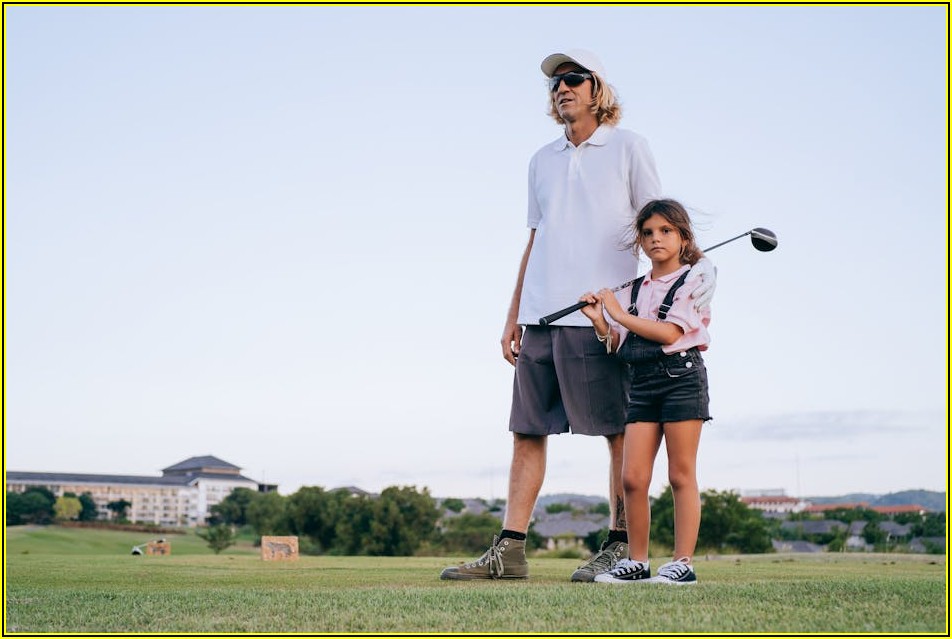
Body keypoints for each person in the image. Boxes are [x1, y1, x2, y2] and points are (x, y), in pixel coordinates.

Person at [439, 50, 715, 582]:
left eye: (572, 79)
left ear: (597, 89)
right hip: (541, 314)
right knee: (526, 431)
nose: (560, 88)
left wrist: (684, 282)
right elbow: (535, 239)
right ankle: (510, 551)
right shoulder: (540, 160)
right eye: (553, 84)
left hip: (601, 318)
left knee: (616, 431)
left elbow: (659, 228)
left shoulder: (631, 148)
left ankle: (619, 545)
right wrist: (514, 313)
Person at [580, 199, 712, 585]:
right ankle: (637, 562)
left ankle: (682, 563)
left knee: (680, 474)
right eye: (649, 232)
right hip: (642, 382)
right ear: (640, 241)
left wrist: (619, 314)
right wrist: (601, 322)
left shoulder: (694, 281)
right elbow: (620, 344)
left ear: (683, 237)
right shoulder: (634, 288)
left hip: (681, 377)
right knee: (633, 478)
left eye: (666, 231)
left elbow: (671, 333)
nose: (656, 239)